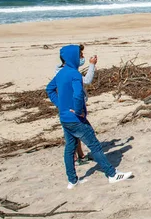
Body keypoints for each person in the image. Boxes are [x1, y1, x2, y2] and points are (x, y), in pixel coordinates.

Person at [46, 45, 132, 189]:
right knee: (95, 146)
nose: (81, 57)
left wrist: (61, 105)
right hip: (76, 119)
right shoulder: (74, 74)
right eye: (79, 54)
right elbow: (78, 94)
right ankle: (112, 174)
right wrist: (78, 110)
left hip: (65, 118)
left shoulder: (60, 73)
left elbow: (49, 89)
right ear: (72, 57)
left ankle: (72, 181)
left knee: (70, 148)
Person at [55, 44, 97, 165]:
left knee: (73, 135)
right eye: (80, 55)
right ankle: (76, 159)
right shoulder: (68, 72)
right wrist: (92, 65)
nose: (82, 57)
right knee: (76, 134)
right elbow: (86, 81)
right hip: (72, 107)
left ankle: (80, 156)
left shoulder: (64, 70)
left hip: (68, 107)